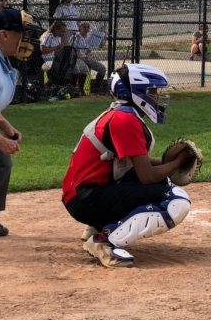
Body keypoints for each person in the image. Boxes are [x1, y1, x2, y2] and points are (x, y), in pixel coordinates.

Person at [61, 63, 193, 267]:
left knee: (163, 182)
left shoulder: (120, 113)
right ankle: (105, 242)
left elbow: (137, 161)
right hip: (86, 198)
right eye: (152, 91)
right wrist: (178, 162)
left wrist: (170, 163)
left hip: (83, 193)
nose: (156, 96)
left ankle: (98, 227)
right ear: (135, 92)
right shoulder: (125, 120)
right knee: (177, 201)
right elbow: (146, 176)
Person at [0, 8, 38, 237]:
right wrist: (0, 141)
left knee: (0, 163)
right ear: (4, 34)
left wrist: (4, 125)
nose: (25, 40)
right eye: (21, 34)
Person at [71, 21, 107, 95]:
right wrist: (82, 58)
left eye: (88, 27)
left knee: (102, 69)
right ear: (80, 27)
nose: (86, 29)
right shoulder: (76, 36)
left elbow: (89, 50)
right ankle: (81, 90)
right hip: (77, 58)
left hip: (86, 57)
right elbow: (74, 50)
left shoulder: (89, 37)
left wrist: (88, 56)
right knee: (84, 69)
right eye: (84, 27)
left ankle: (96, 91)